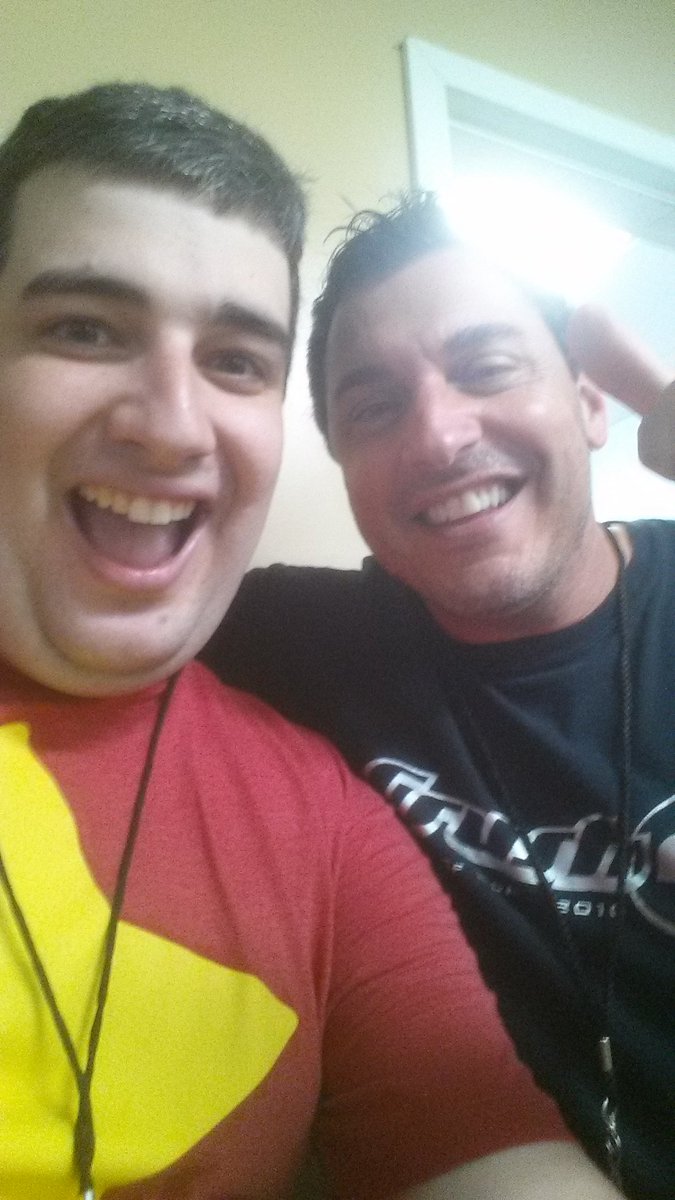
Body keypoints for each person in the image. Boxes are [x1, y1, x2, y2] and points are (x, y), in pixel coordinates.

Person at [0, 85, 622, 1200]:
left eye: (236, 359)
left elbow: (482, 1141)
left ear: (590, 401)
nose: (172, 425)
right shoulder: (312, 640)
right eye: (84, 329)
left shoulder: (323, 811)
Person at [205, 194, 675, 1200]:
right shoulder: (295, 642)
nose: (438, 435)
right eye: (374, 407)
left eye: (487, 367)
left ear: (591, 405)